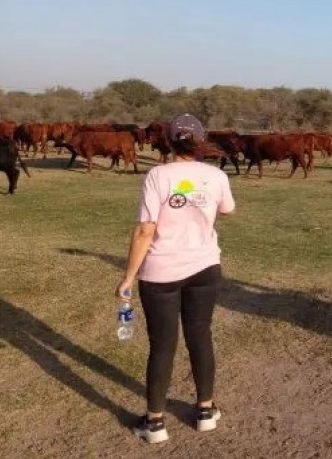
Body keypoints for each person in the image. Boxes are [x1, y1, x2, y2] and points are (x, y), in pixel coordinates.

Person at [116, 113, 236, 444]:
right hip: (204, 268)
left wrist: (128, 278)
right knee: (200, 335)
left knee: (162, 345)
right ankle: (205, 411)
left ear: (168, 141)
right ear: (199, 140)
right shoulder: (215, 175)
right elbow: (228, 210)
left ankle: (154, 423)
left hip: (159, 274)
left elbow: (145, 229)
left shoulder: (158, 175)